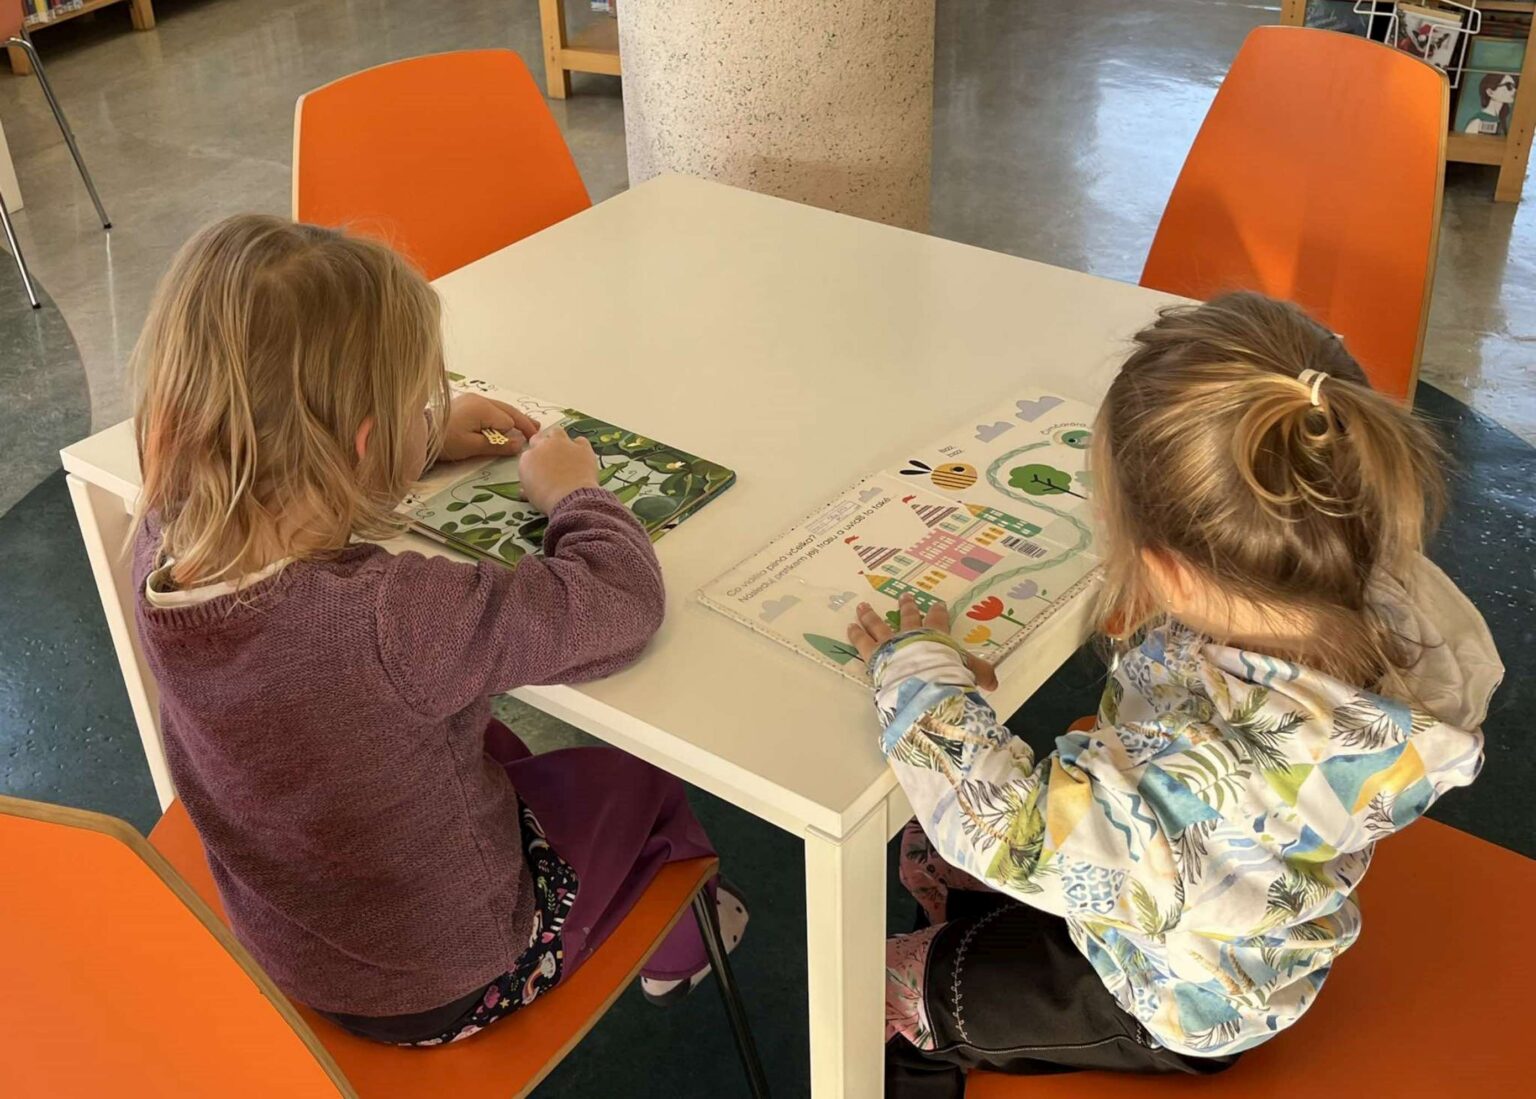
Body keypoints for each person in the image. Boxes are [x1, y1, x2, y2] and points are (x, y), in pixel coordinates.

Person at [845, 293, 1501, 1097]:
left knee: (874, 996)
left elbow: (1005, 832)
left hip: (1174, 995)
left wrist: (915, 671)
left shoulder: (1198, 775)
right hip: (1210, 910)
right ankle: (974, 949)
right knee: (928, 843)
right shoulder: (1343, 582)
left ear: (1173, 573)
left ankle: (941, 1021)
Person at [130, 214, 746, 1046]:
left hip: (286, 941)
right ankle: (682, 948)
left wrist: (412, 439)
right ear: (363, 443)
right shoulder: (392, 615)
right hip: (453, 976)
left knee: (497, 745)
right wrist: (574, 493)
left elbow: (273, 453)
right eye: (413, 408)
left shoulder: (159, 539)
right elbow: (620, 604)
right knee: (641, 783)